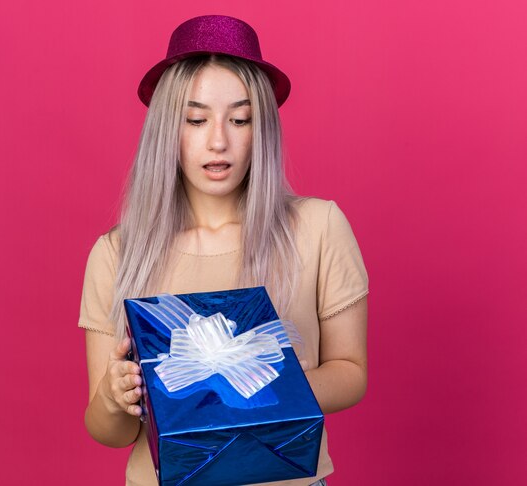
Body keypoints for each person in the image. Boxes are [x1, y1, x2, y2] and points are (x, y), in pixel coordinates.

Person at [78, 15, 369, 486]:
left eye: (240, 119)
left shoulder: (318, 227)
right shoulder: (117, 253)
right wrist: (115, 397)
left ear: (263, 129)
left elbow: (351, 372)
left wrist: (241, 384)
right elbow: (108, 431)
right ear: (167, 130)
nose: (219, 140)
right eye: (196, 120)